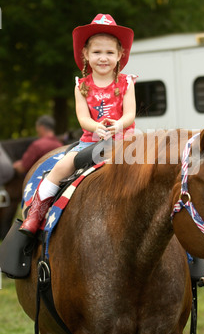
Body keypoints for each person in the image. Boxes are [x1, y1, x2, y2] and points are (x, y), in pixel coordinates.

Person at [20, 13, 136, 237]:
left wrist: (118, 124)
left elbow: (130, 113)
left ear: (120, 55)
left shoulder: (126, 83)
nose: (103, 58)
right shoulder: (81, 86)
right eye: (97, 52)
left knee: (155, 167)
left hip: (124, 140)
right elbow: (83, 118)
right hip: (92, 142)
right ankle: (35, 214)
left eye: (110, 52)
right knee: (61, 167)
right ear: (85, 54)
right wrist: (96, 127)